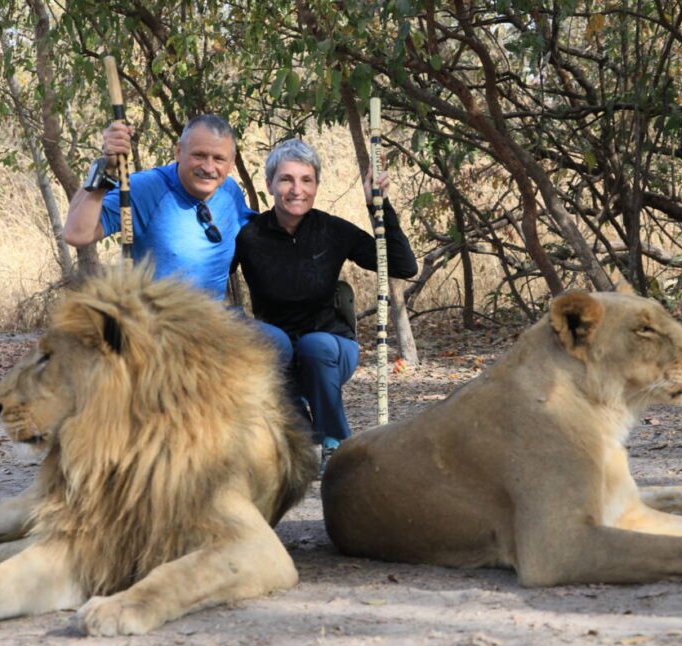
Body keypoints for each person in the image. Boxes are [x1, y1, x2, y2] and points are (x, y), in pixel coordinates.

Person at [233, 139, 418, 474]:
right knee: (268, 339)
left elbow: (403, 265)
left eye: (306, 180)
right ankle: (297, 429)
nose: (296, 189)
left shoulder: (331, 230)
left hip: (332, 350)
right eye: (286, 179)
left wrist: (379, 205)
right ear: (270, 184)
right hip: (276, 356)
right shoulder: (249, 235)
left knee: (314, 345)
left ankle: (336, 445)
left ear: (316, 185)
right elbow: (209, 274)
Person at [64, 115, 254, 298]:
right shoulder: (144, 189)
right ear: (179, 151)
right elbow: (77, 234)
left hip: (215, 319)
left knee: (274, 333)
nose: (208, 167)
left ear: (231, 162)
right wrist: (106, 166)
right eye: (199, 155)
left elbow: (257, 233)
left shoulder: (230, 192)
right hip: (156, 321)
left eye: (219, 158)